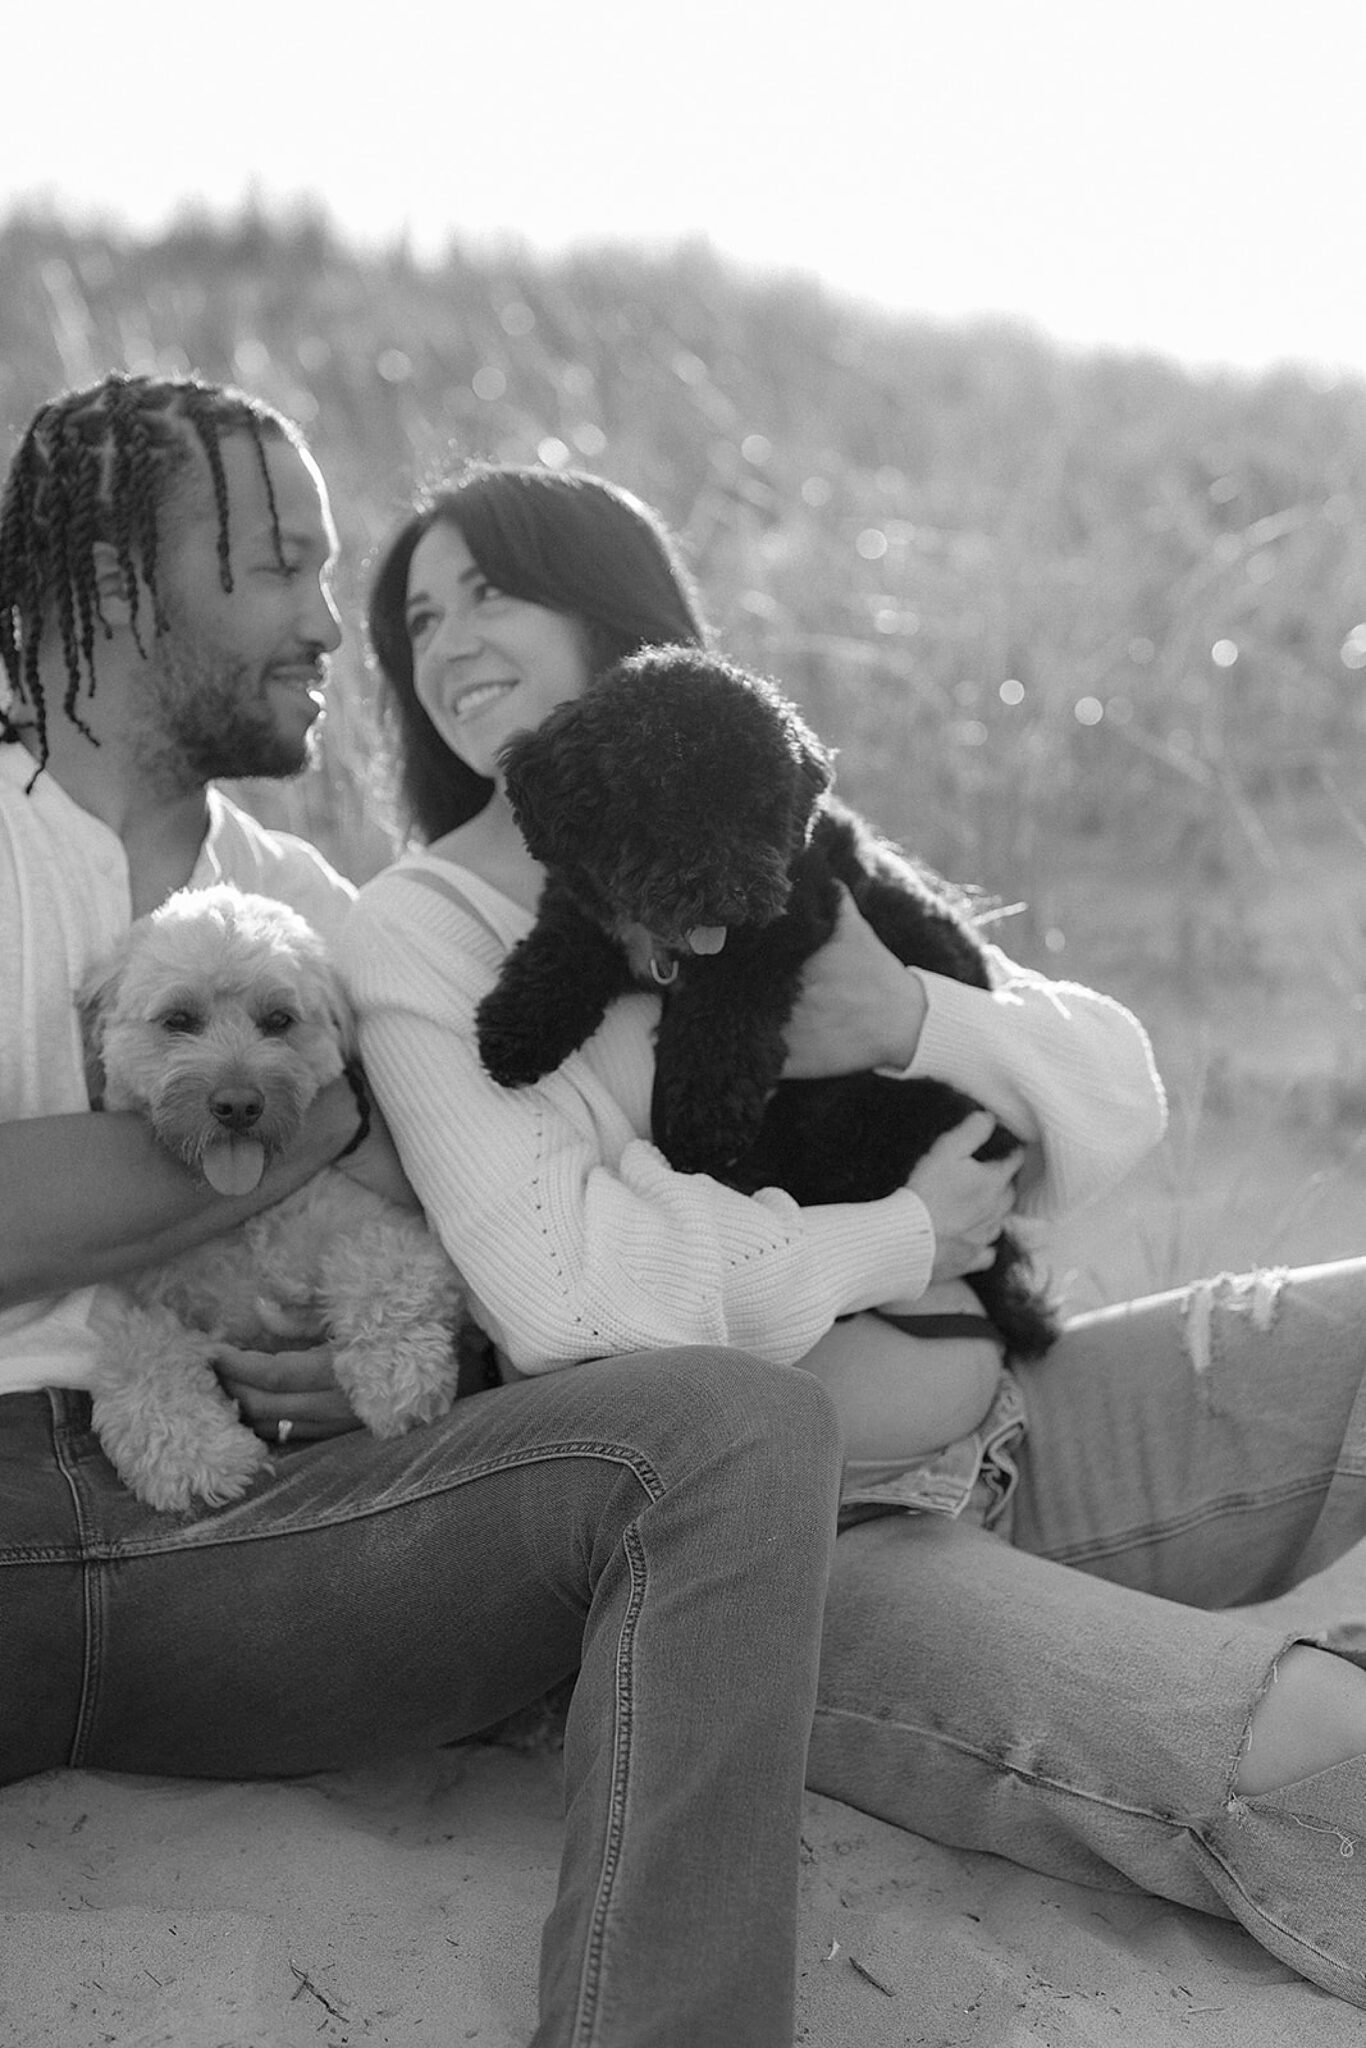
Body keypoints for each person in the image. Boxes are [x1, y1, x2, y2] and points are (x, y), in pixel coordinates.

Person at [342, 459, 1366, 2011]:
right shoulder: (425, 929)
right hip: (790, 1553)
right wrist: (902, 1232)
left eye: (492, 591)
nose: (450, 641)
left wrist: (907, 1018)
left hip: (1019, 1426)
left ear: (609, 604)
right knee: (1309, 1759)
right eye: (418, 618)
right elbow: (563, 1294)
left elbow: (1110, 1098)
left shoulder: (773, 826)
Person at [0, 373, 848, 2048]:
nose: (336, 623)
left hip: (266, 1546)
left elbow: (457, 1215)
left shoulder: (312, 903)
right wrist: (315, 1122)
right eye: (281, 567)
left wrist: (398, 1343)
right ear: (112, 587)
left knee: (738, 1431)